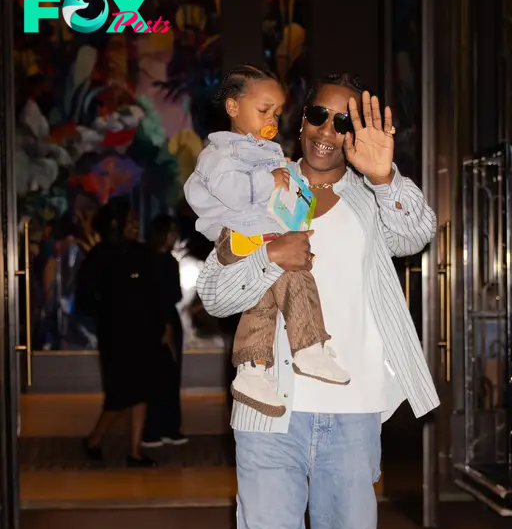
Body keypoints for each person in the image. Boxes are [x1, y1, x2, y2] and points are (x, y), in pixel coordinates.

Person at [197, 72, 440, 529]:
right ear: (297, 123)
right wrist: (271, 255)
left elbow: (417, 232)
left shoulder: (373, 195)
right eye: (318, 116)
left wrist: (387, 171)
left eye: (344, 120)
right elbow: (214, 292)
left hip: (354, 408)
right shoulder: (263, 188)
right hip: (268, 412)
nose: (330, 130)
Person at [184, 64, 350, 420]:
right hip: (241, 238)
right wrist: (269, 180)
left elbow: (275, 190)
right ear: (233, 107)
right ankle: (308, 345)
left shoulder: (265, 150)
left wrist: (287, 178)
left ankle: (252, 370)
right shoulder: (222, 153)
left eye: (276, 113)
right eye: (263, 111)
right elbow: (230, 190)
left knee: (263, 302)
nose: (271, 119)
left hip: (258, 235)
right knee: (294, 274)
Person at [77, 197, 165, 468]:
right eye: (130, 220)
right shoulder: (99, 256)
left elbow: (155, 294)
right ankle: (94, 439)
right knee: (118, 396)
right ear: (115, 223)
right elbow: (85, 300)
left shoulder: (143, 253)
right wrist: (110, 307)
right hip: (116, 337)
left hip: (144, 334)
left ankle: (134, 451)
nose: (136, 225)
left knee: (142, 392)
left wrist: (160, 328)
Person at [140, 215, 189, 448]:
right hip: (166, 320)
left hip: (150, 322)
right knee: (168, 375)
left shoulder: (146, 260)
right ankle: (168, 427)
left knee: (153, 376)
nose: (174, 236)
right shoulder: (168, 262)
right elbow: (173, 296)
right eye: (170, 232)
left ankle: (154, 429)